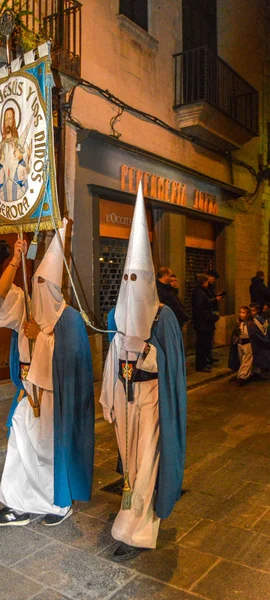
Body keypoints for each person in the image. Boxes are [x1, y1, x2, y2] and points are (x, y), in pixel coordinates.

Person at [0, 223, 95, 527]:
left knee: (47, 455)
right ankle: (16, 506)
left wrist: (43, 338)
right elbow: (1, 294)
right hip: (27, 394)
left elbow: (72, 362)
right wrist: (15, 260)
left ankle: (57, 505)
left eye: (45, 282)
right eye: (36, 281)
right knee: (19, 449)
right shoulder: (28, 307)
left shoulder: (70, 319)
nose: (39, 287)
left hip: (52, 399)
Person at [100, 182, 187, 562]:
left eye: (139, 279)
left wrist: (147, 351)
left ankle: (140, 532)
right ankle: (128, 520)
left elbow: (171, 366)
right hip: (125, 400)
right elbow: (111, 359)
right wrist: (107, 396)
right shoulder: (119, 316)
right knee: (130, 466)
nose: (132, 286)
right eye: (127, 279)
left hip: (151, 402)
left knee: (147, 463)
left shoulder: (162, 316)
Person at [191, 274, 219, 372]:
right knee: (202, 345)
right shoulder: (199, 293)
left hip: (202, 323)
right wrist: (211, 317)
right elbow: (201, 309)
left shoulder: (200, 292)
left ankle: (203, 363)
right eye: (206, 282)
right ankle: (201, 365)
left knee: (203, 344)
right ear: (203, 282)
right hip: (203, 324)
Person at [205, 269, 224, 364]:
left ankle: (209, 356)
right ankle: (206, 358)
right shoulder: (203, 288)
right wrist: (215, 299)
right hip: (206, 317)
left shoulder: (211, 287)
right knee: (205, 339)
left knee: (210, 337)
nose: (214, 280)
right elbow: (205, 302)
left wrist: (217, 297)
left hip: (211, 315)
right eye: (213, 278)